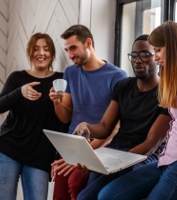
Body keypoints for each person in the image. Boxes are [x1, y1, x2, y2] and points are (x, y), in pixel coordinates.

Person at [97, 21, 177, 200]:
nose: (155, 57)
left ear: (173, 47)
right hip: (168, 158)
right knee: (108, 195)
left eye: (158, 50)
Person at [73, 34, 172, 200]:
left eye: (145, 55)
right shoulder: (123, 86)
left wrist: (116, 161)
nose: (138, 60)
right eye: (134, 55)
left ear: (157, 57)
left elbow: (150, 145)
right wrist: (86, 126)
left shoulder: (166, 94)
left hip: (142, 158)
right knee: (85, 196)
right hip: (116, 151)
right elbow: (105, 127)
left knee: (93, 197)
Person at [48, 24, 127, 200]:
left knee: (76, 184)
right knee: (58, 193)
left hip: (99, 147)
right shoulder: (70, 72)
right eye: (67, 50)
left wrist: (84, 152)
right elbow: (65, 116)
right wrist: (56, 103)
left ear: (88, 43)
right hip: (71, 145)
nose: (70, 55)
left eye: (73, 48)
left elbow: (114, 127)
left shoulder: (117, 76)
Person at [0, 33, 69, 200]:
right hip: (9, 148)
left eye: (46, 49)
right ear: (30, 53)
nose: (41, 53)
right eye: (36, 49)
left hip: (41, 154)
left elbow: (64, 120)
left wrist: (58, 154)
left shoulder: (61, 80)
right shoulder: (18, 78)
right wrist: (20, 92)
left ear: (52, 53)